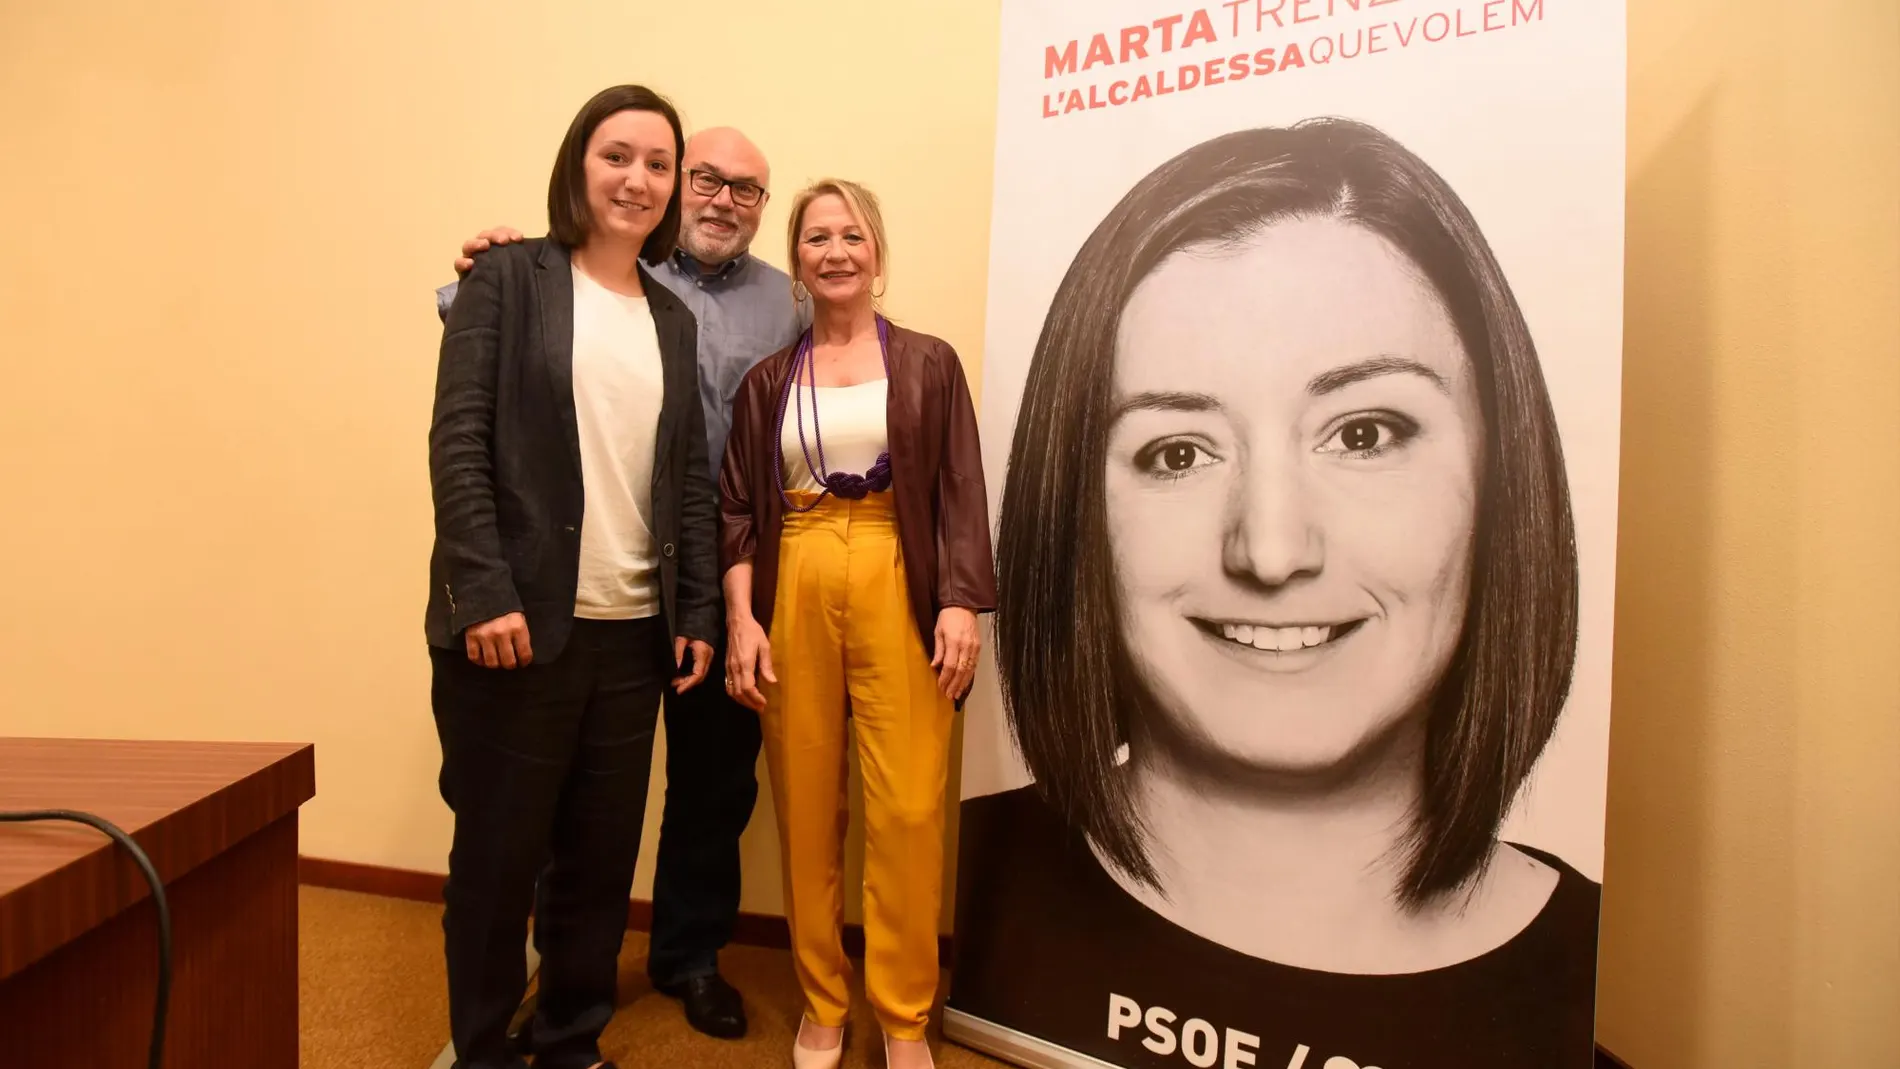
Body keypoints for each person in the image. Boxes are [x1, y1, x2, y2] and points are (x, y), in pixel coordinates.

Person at [949, 118, 1601, 1069]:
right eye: (1176, 453)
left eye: (1365, 433)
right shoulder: (973, 875)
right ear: (1074, 510)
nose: (1271, 547)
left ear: (1504, 477)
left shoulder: (1588, 987)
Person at [438, 126, 803, 1040]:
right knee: (548, 817)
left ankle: (688, 953)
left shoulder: (788, 304)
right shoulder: (574, 266)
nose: (723, 199)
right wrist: (485, 260)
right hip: (584, 580)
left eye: (747, 190)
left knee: (710, 788)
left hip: (720, 578)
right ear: (678, 186)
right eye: (708, 179)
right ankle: (528, 991)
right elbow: (476, 366)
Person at [719, 178, 996, 1069]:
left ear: (877, 250)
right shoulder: (770, 379)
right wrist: (741, 620)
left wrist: (960, 600)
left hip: (899, 576)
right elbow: (734, 510)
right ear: (795, 261)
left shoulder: (928, 363)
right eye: (815, 238)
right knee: (806, 805)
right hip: (794, 571)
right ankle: (823, 1001)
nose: (834, 251)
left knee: (909, 808)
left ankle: (906, 1013)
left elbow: (959, 487)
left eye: (851, 235)